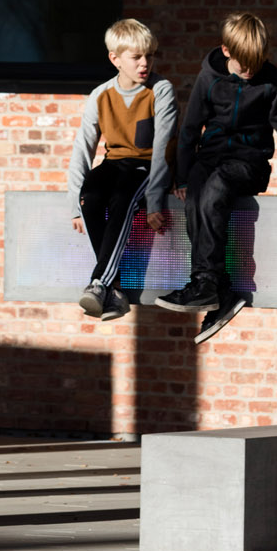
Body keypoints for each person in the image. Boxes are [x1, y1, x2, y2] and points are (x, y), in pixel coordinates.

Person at [156, 10, 277, 343]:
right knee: (196, 197)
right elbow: (189, 130)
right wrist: (183, 178)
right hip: (209, 157)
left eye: (255, 66)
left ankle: (209, 284)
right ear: (227, 51)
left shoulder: (270, 80)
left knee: (215, 189)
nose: (249, 73)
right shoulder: (209, 78)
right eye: (244, 66)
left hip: (249, 162)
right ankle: (212, 286)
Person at [65, 17, 175, 322]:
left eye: (150, 56)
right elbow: (83, 148)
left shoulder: (161, 90)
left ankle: (100, 283)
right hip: (114, 163)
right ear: (115, 59)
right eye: (136, 57)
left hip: (146, 166)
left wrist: (155, 201)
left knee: (121, 201)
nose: (145, 63)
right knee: (92, 197)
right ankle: (112, 289)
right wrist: (75, 203)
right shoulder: (100, 95)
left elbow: (164, 148)